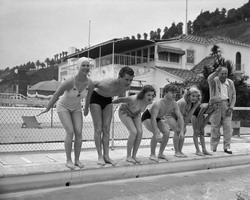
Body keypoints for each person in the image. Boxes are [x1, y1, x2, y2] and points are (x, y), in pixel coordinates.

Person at [38, 57, 94, 170]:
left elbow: (88, 97)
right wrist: (48, 108)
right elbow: (56, 94)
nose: (86, 67)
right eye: (83, 65)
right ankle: (69, 160)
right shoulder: (70, 81)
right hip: (63, 106)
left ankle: (77, 160)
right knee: (70, 131)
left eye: (88, 65)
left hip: (76, 108)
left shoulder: (90, 83)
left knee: (79, 133)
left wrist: (86, 109)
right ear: (78, 67)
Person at [90, 66, 134, 166]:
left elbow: (121, 96)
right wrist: (87, 104)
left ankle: (106, 156)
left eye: (131, 80)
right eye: (126, 79)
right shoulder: (107, 82)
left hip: (108, 100)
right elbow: (92, 84)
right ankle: (100, 156)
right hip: (96, 98)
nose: (128, 82)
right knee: (98, 128)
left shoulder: (127, 87)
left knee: (106, 128)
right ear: (119, 77)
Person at [112, 85, 156, 164]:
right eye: (148, 95)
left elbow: (141, 110)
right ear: (143, 94)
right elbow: (120, 99)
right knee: (133, 132)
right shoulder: (133, 98)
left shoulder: (149, 102)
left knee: (140, 132)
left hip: (136, 113)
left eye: (152, 95)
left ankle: (134, 155)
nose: (150, 97)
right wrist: (109, 103)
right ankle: (128, 156)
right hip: (125, 112)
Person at [142, 84, 184, 162]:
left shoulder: (174, 104)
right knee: (156, 132)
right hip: (148, 117)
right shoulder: (158, 103)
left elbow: (180, 117)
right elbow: (153, 118)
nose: (174, 94)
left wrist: (181, 130)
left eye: (175, 93)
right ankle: (152, 154)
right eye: (172, 93)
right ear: (165, 93)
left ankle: (160, 153)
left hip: (157, 118)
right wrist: (157, 133)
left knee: (167, 132)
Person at [207, 66, 236, 154]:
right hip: (216, 105)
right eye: (222, 73)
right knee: (215, 127)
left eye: (225, 73)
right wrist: (216, 72)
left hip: (227, 105)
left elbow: (234, 95)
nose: (224, 75)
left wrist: (231, 107)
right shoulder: (214, 80)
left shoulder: (230, 82)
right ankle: (213, 147)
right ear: (218, 74)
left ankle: (227, 147)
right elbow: (209, 78)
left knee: (228, 127)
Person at [166, 87, 201, 158]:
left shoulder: (193, 103)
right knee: (178, 130)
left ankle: (180, 150)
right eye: (193, 96)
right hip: (170, 115)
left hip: (179, 117)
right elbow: (180, 117)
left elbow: (188, 117)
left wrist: (194, 107)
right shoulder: (183, 102)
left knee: (184, 130)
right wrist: (181, 128)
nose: (195, 98)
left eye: (196, 96)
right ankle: (176, 151)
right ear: (188, 95)